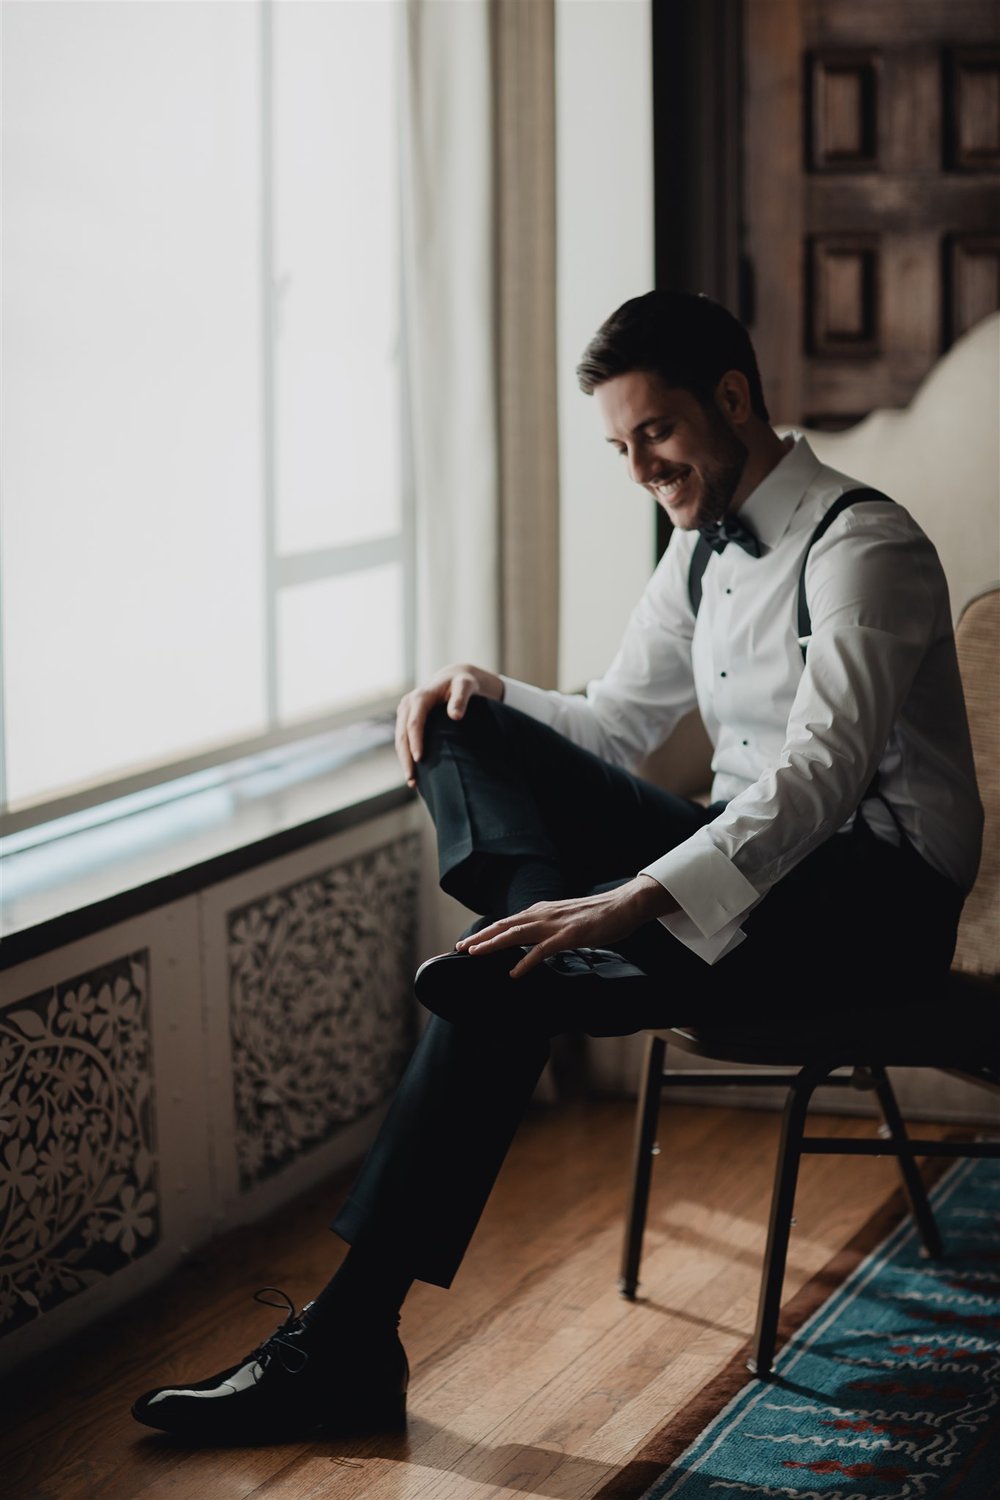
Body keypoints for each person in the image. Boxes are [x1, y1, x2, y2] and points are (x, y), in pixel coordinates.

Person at [131, 290, 983, 1443]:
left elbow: (818, 781)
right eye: (620, 447)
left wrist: (638, 895)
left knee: (507, 984)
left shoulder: (864, 546)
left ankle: (343, 1343)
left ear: (732, 399)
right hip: (736, 881)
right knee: (465, 728)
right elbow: (616, 723)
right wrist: (486, 691)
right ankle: (542, 947)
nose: (641, 468)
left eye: (657, 435)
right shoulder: (696, 547)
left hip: (868, 897)